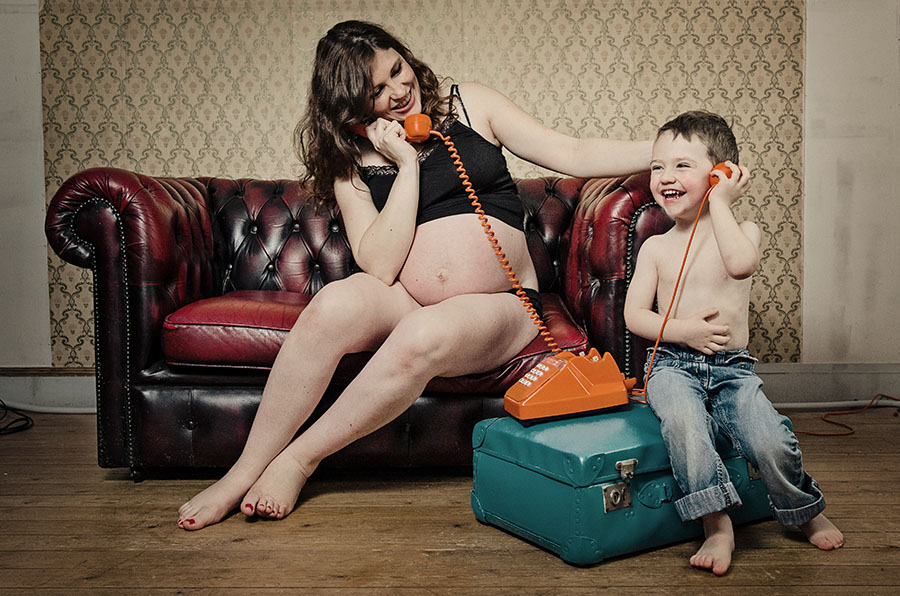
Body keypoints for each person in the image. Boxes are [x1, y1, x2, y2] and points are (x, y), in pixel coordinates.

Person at [177, 20, 651, 530]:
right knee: (330, 307)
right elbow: (378, 264)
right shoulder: (351, 162)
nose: (401, 92)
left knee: (421, 334)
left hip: (502, 305)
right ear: (353, 109)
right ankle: (241, 473)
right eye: (378, 91)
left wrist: (668, 154)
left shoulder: (470, 104)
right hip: (405, 293)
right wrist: (406, 164)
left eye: (398, 70)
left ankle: (298, 460)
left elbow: (571, 154)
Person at [623, 111, 844, 575]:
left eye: (682, 165)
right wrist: (685, 331)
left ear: (722, 172)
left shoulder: (742, 232)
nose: (665, 176)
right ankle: (716, 522)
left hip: (732, 369)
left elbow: (741, 265)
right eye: (658, 166)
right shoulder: (655, 248)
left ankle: (802, 507)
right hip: (672, 366)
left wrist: (720, 203)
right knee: (685, 425)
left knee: (768, 439)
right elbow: (634, 315)